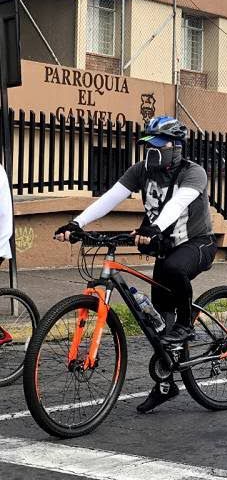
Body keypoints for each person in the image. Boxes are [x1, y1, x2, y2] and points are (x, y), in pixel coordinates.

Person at [54, 116, 217, 413]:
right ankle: (166, 384)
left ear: (176, 146)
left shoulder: (194, 173)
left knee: (173, 271)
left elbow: (177, 205)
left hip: (197, 243)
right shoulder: (140, 171)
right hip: (165, 245)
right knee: (158, 315)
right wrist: (77, 223)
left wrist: (153, 228)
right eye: (148, 145)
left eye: (158, 144)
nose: (151, 151)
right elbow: (110, 198)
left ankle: (186, 325)